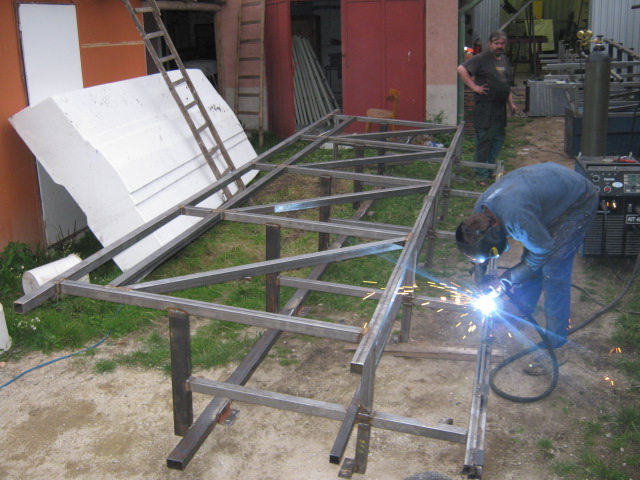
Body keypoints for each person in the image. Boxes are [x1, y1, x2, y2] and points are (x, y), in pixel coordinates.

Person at [455, 163, 599, 375]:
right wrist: (480, 274)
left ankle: (556, 347)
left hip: (578, 201)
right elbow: (487, 252)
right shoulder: (480, 212)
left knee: (553, 269)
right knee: (532, 253)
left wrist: (505, 279)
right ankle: (524, 308)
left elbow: (543, 252)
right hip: (547, 189)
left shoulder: (518, 220)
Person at [457, 30, 518, 186]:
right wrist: (474, 87)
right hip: (485, 106)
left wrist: (511, 103)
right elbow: (461, 69)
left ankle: (490, 168)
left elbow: (505, 84)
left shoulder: (504, 60)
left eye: (502, 43)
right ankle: (481, 174)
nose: (500, 46)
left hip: (500, 107)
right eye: (497, 43)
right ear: (490, 43)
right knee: (484, 140)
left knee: (498, 138)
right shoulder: (481, 58)